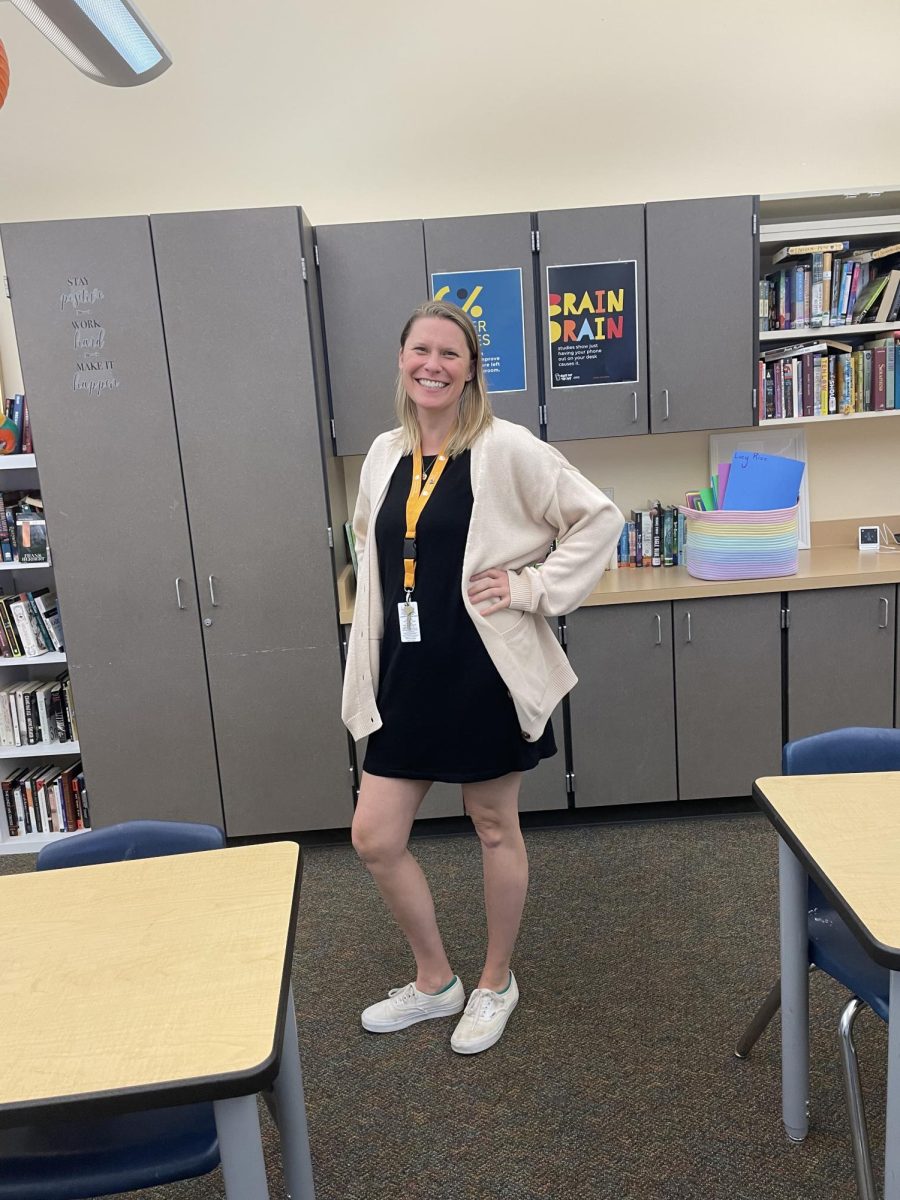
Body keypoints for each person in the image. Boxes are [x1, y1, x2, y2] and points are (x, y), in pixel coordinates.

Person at [342, 299, 624, 1055]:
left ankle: (496, 980)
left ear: (470, 371)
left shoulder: (506, 448)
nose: (433, 364)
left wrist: (532, 589)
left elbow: (598, 517)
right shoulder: (381, 454)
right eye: (421, 350)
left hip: (482, 671)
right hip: (404, 669)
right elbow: (376, 540)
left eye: (451, 354)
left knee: (494, 825)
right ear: (402, 360)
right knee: (374, 835)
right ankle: (435, 982)